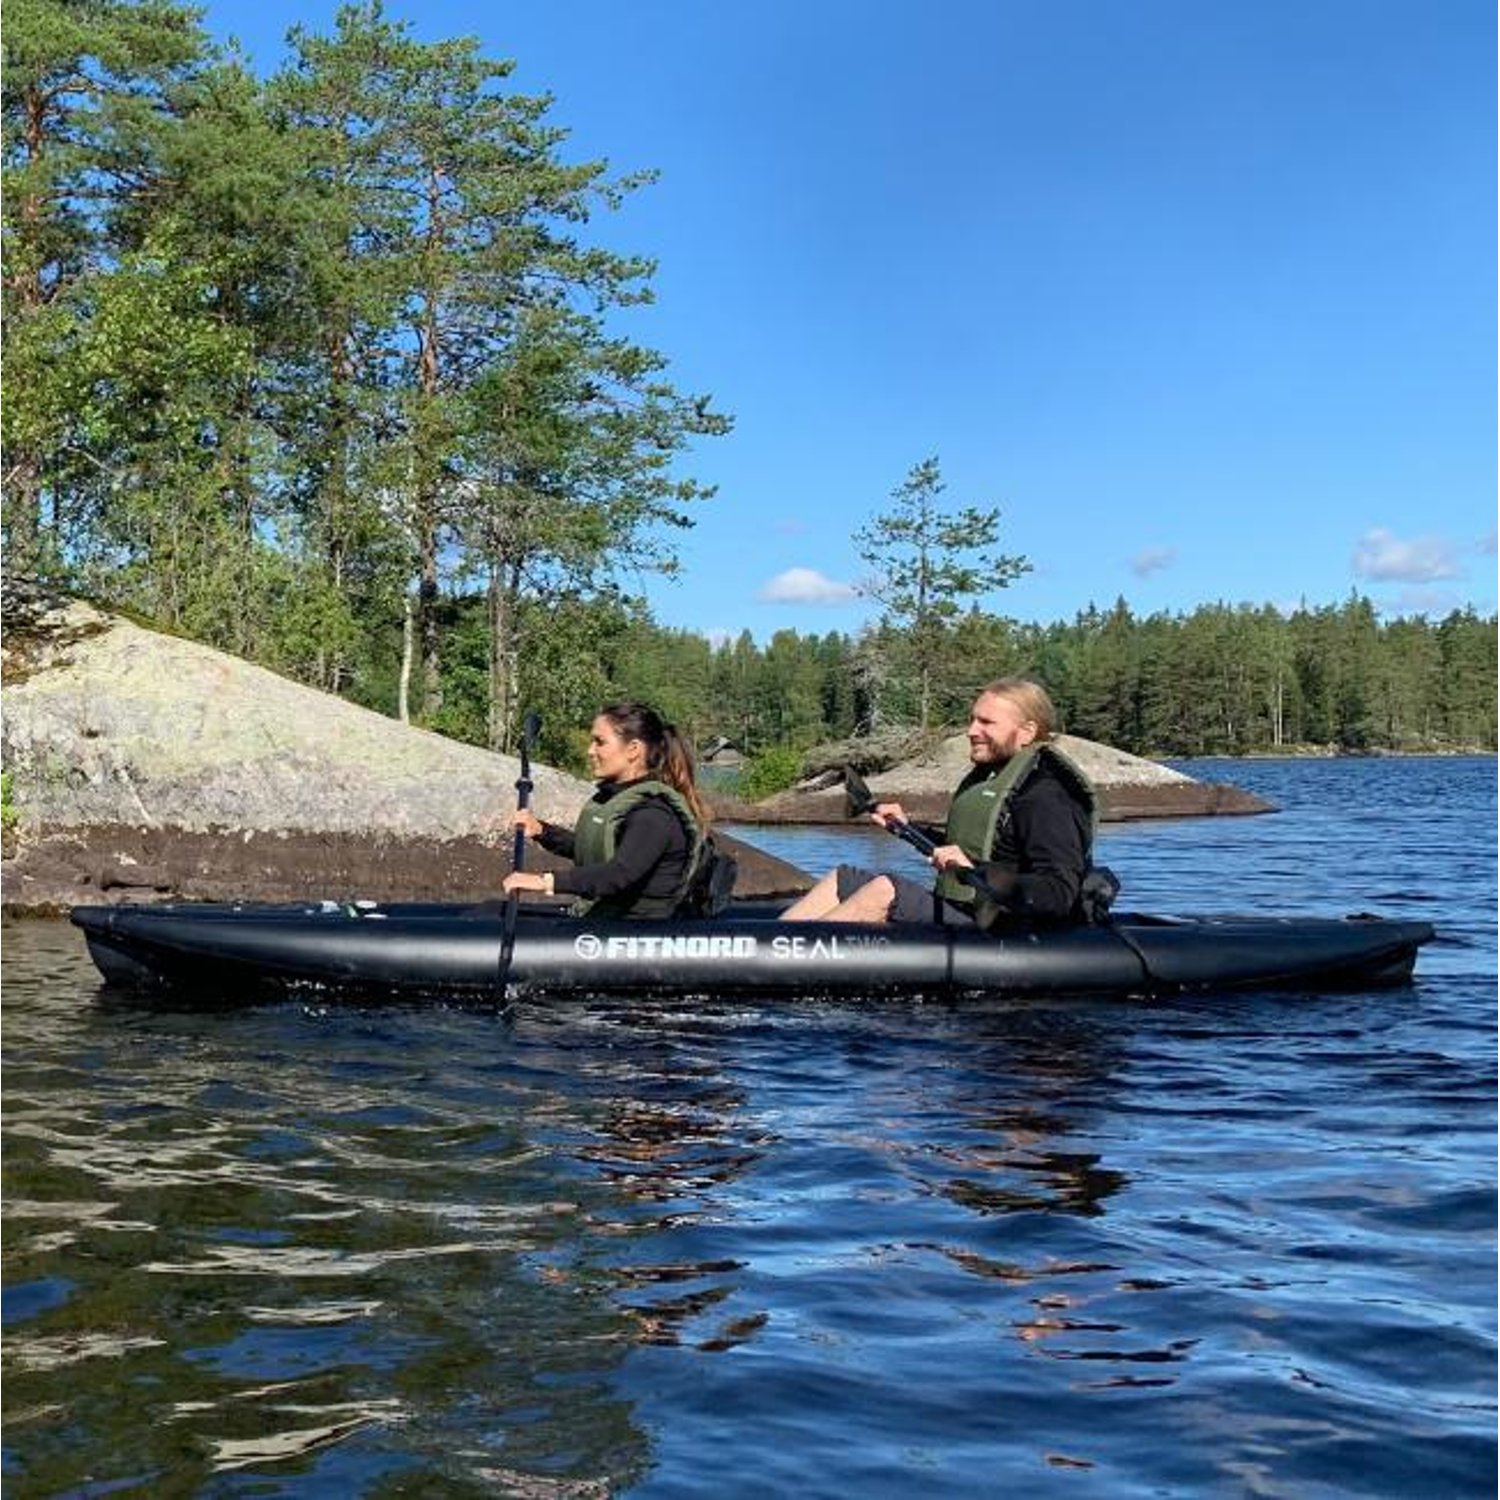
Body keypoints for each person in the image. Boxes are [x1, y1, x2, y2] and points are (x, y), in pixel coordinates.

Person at [781, 677, 1101, 929]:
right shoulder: (996, 778)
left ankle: (785, 965)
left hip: (1005, 927)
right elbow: (966, 849)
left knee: (885, 889)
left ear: (1027, 731)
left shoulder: (1046, 796)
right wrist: (908, 827)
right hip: (968, 909)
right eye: (972, 720)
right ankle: (768, 951)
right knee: (844, 878)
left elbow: (1059, 893)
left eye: (987, 723)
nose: (971, 731)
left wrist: (977, 871)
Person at [501, 702, 713, 919]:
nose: (590, 750)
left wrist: (544, 881)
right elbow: (595, 848)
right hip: (611, 918)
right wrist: (542, 832)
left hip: (638, 930)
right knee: (493, 909)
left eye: (599, 742)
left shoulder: (653, 815)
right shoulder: (621, 799)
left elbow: (619, 873)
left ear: (633, 750)